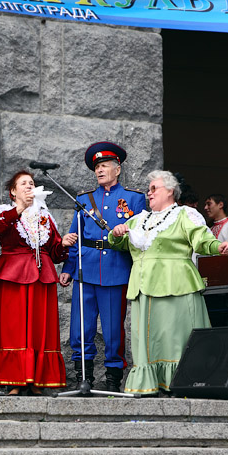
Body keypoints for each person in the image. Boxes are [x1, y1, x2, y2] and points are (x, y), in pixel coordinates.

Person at [109, 170, 228, 396]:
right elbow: (118, 242)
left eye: (154, 188)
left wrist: (216, 246)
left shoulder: (185, 215)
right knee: (149, 339)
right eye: (149, 189)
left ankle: (182, 381)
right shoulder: (139, 219)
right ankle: (150, 383)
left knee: (175, 338)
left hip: (175, 283)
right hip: (144, 287)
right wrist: (117, 234)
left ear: (170, 191)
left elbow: (201, 239)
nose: (149, 193)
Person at [59, 142, 148, 392]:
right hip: (85, 270)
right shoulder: (84, 199)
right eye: (96, 167)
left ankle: (111, 381)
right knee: (80, 328)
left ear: (117, 169)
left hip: (116, 270)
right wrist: (68, 267)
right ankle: (83, 379)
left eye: (105, 166)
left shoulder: (134, 199)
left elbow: (141, 236)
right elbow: (75, 235)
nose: (99, 170)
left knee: (112, 331)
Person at [0, 171, 76, 394]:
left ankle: (37, 380)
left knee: (39, 327)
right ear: (13, 191)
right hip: (13, 275)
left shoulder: (44, 216)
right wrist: (20, 208)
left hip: (41, 277)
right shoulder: (2, 211)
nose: (28, 186)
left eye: (32, 183)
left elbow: (54, 252)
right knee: (12, 328)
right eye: (23, 184)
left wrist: (62, 243)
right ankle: (13, 380)